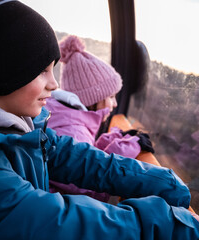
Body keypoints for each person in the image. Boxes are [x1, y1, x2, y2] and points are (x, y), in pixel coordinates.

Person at [0, 0, 199, 239]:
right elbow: (57, 223)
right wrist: (169, 225)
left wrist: (160, 180)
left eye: (53, 69)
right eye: (42, 70)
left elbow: (76, 157)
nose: (55, 85)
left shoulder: (16, 120)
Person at [46, 35, 154, 202]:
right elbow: (90, 190)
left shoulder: (63, 116)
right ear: (92, 97)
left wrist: (113, 140)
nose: (115, 103)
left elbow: (82, 158)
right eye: (110, 96)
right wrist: (128, 148)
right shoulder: (73, 130)